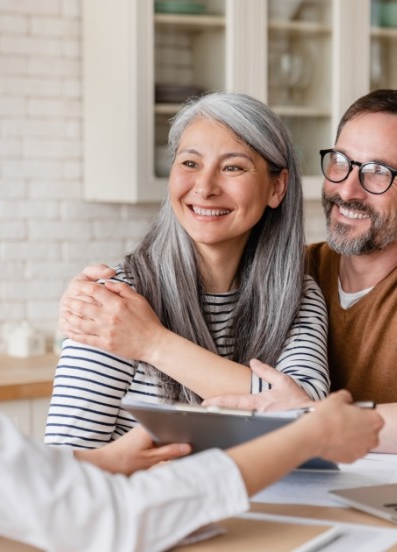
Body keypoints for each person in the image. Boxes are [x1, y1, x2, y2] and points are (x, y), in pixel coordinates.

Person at [0, 43, 383, 552]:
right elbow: (96, 518)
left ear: (277, 185)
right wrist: (306, 434)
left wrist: (90, 464)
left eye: (232, 167)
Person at [61, 89, 397, 457]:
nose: (346, 189)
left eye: (378, 173)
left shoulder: (299, 287)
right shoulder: (299, 272)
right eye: (341, 162)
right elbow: (63, 464)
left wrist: (152, 343)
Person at [45, 92, 330, 450]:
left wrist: (152, 343)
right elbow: (66, 464)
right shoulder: (116, 303)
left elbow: (306, 414)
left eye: (233, 167)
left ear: (277, 187)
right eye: (190, 163)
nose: (205, 188)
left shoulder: (297, 294)